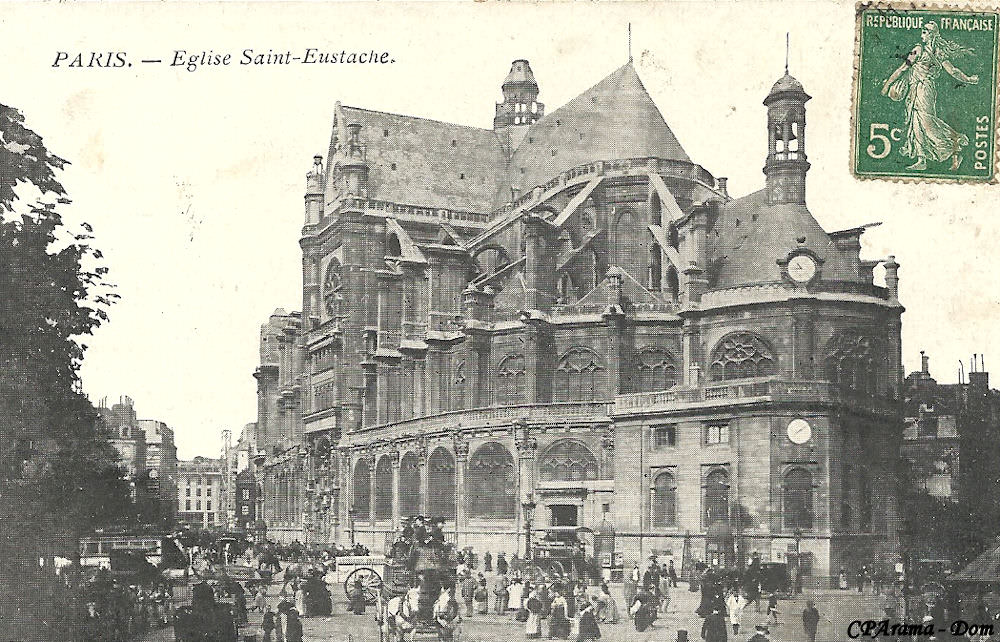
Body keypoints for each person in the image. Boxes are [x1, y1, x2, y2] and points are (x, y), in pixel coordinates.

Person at [881, 21, 979, 171]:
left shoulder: (936, 53)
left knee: (926, 122)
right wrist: (887, 84)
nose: (922, 34)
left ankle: (954, 144)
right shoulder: (919, 50)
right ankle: (924, 159)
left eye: (925, 31)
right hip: (915, 90)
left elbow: (953, 71)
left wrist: (968, 79)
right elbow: (903, 68)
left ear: (932, 35)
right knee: (916, 122)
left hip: (925, 90)